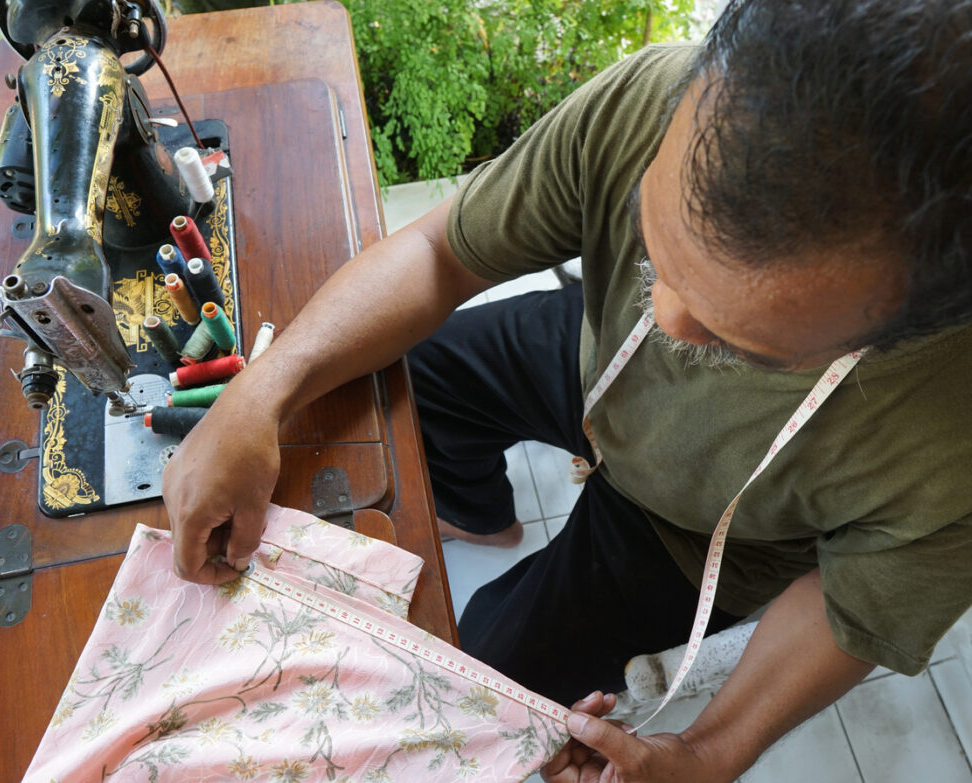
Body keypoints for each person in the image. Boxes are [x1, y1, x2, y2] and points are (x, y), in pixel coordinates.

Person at [162, 0, 972, 779]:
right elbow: (442, 252)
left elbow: (849, 610)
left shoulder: (953, 441)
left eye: (739, 342)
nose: (661, 318)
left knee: (477, 669)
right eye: (656, 250)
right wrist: (259, 393)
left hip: (702, 532)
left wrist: (709, 754)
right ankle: (485, 514)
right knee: (415, 379)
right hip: (592, 361)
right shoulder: (654, 97)